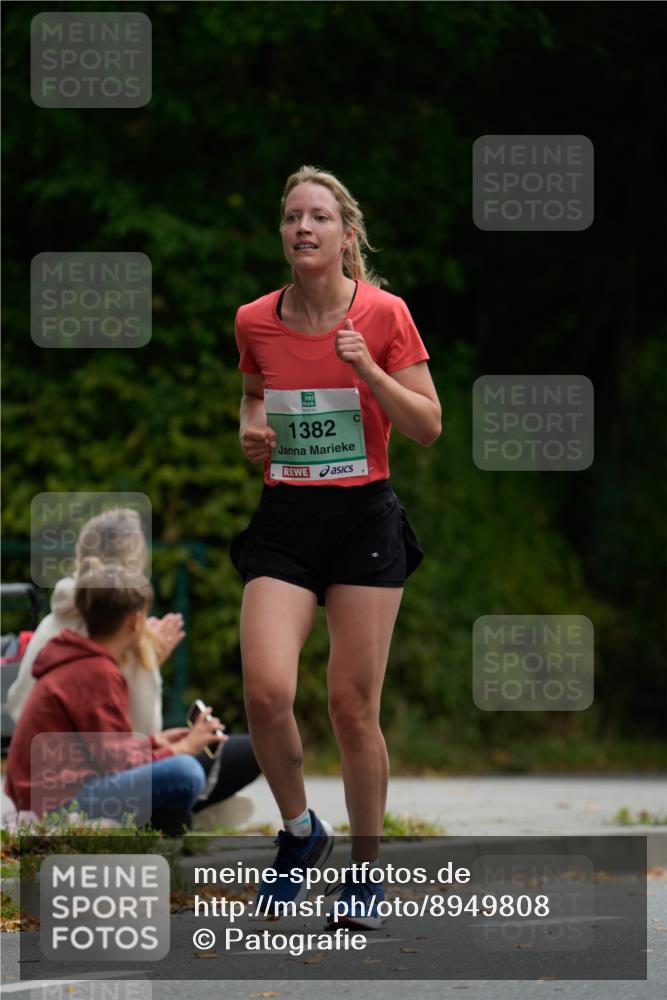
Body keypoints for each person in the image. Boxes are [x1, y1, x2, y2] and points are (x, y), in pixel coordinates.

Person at [229, 164, 442, 929]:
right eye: (292, 217)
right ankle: (298, 833)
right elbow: (254, 397)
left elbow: (426, 426)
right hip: (285, 521)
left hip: (363, 524)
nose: (303, 228)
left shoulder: (384, 315)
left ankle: (364, 873)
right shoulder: (254, 319)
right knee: (265, 691)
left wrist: (367, 370)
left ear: (346, 235)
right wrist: (250, 435)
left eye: (318, 216)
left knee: (352, 707)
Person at [7, 508, 261, 827]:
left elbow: (115, 744)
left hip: (53, 788)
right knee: (188, 770)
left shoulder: (64, 640)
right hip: (59, 801)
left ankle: (176, 813)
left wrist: (160, 742)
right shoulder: (96, 670)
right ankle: (178, 814)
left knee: (184, 767)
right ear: (135, 620)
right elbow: (122, 760)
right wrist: (182, 746)